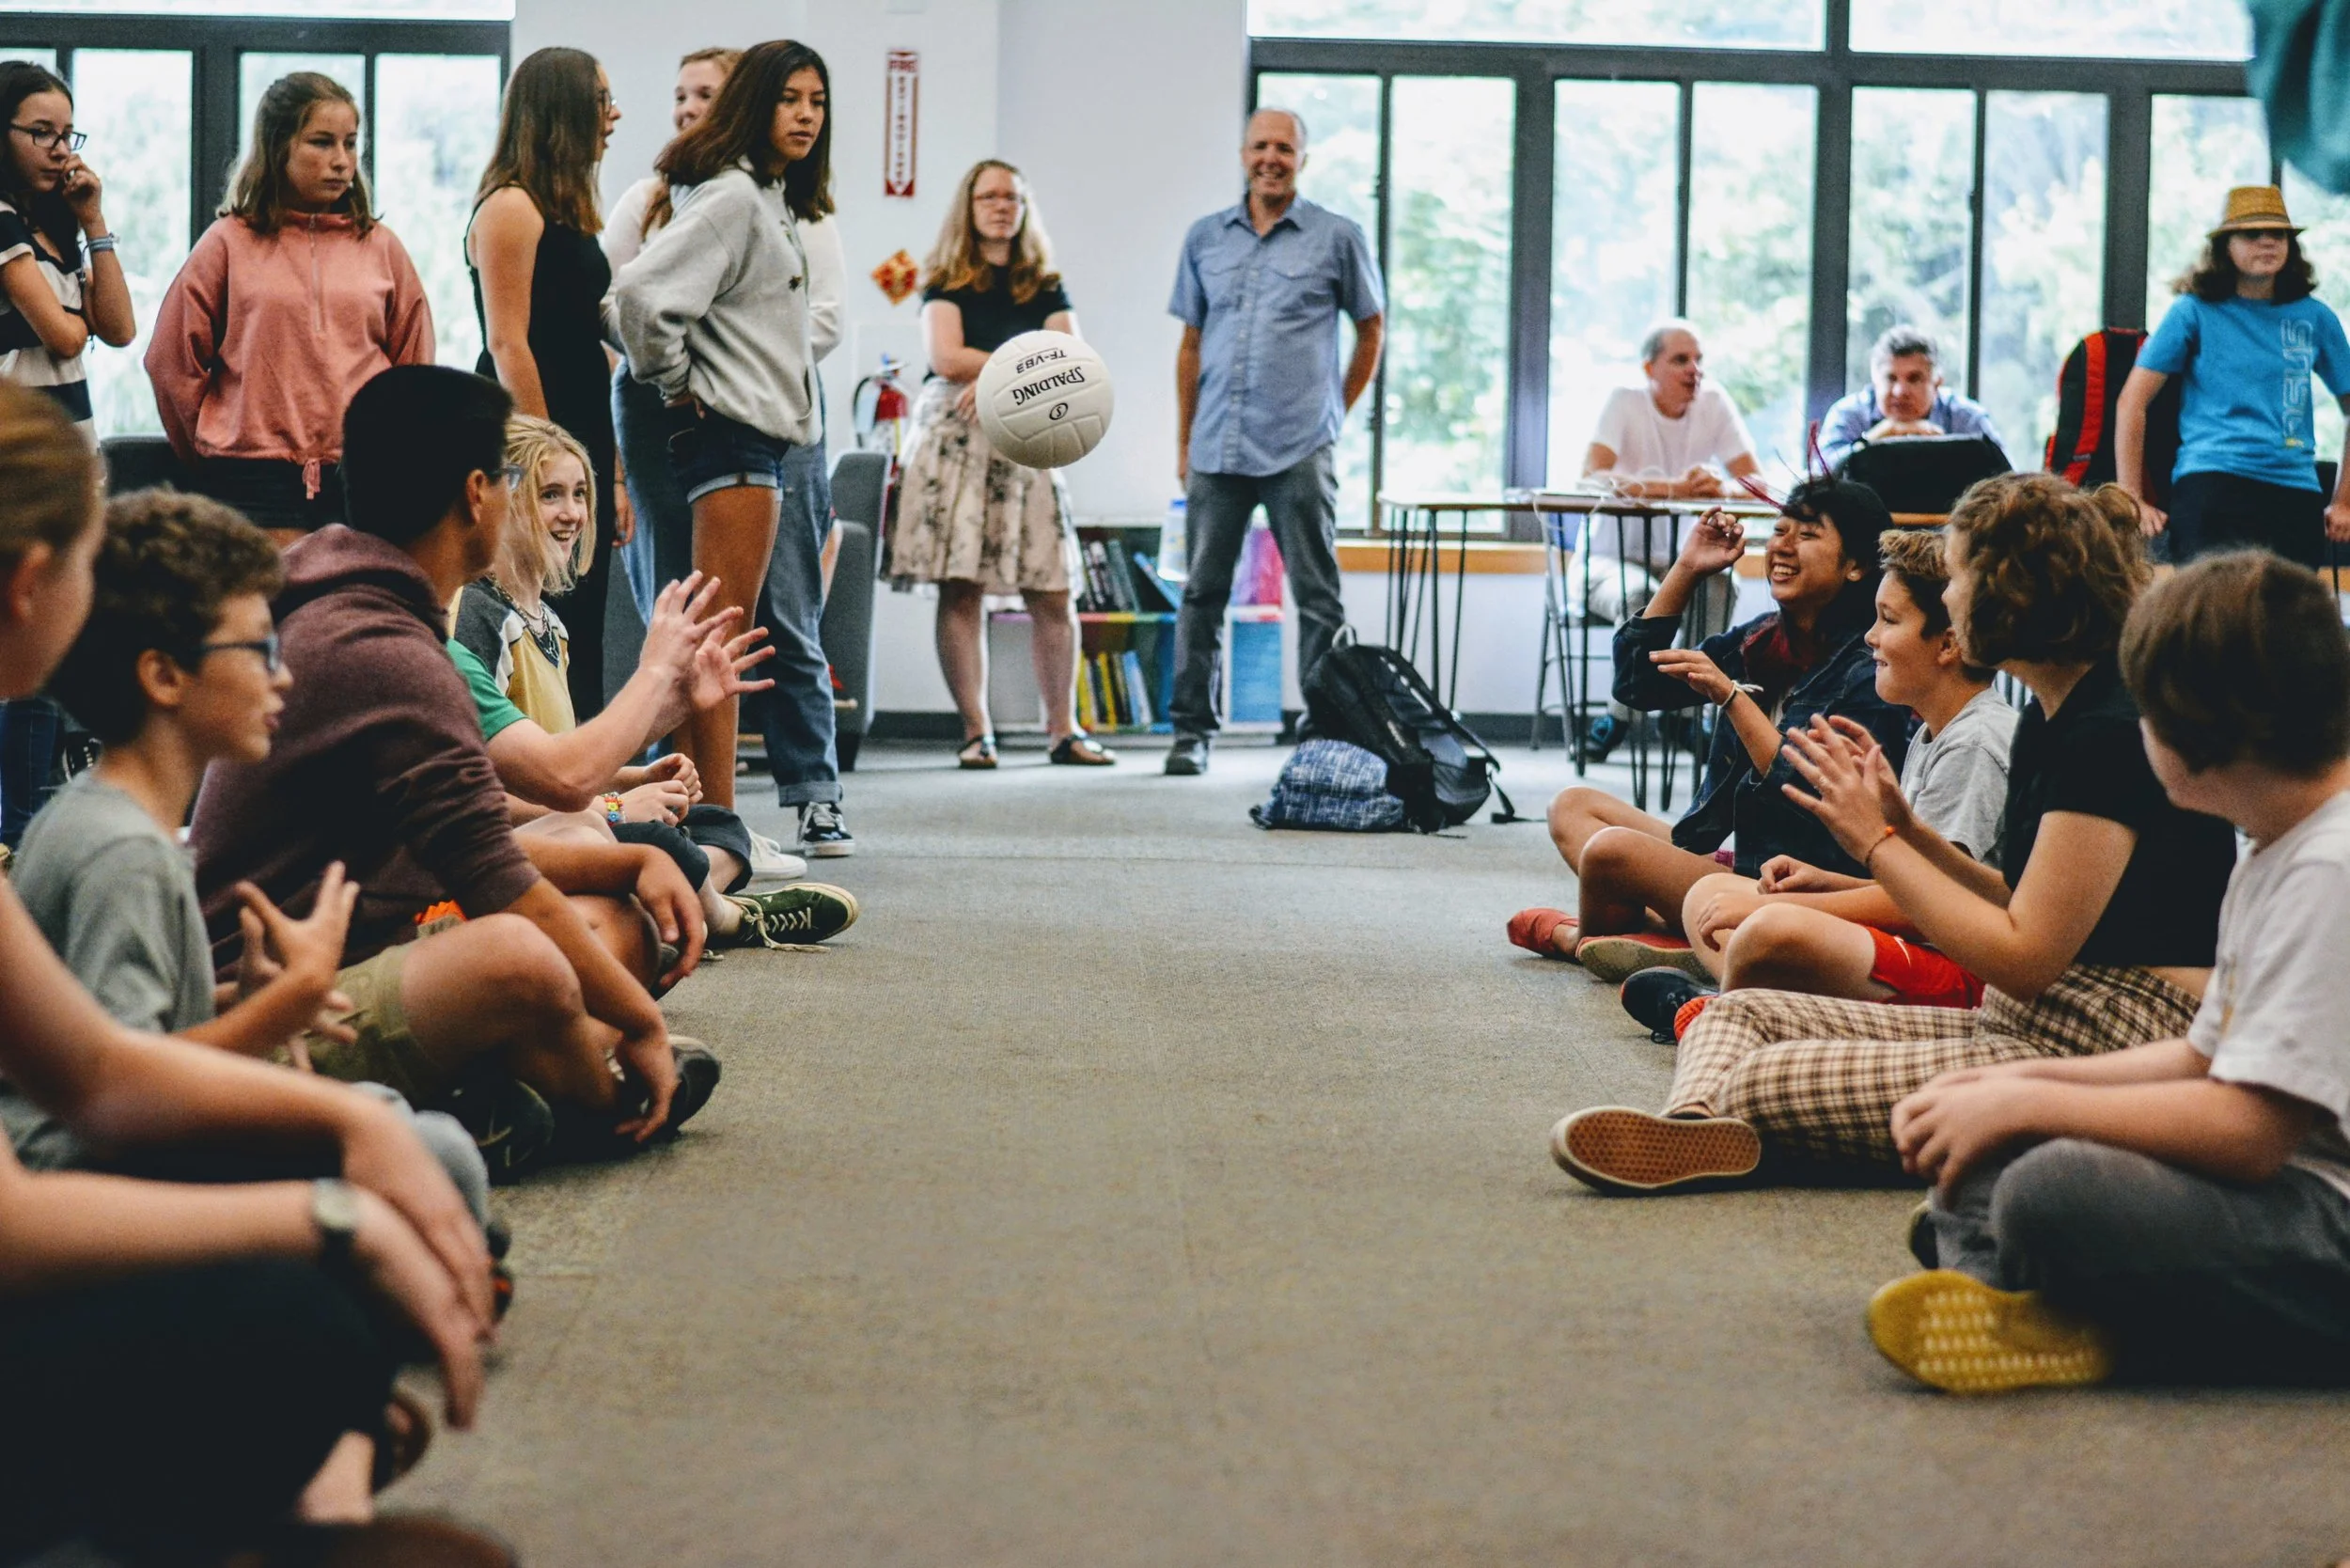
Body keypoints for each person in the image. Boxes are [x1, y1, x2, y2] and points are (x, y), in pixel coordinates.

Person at [0, 380, 509, 1565]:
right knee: (332, 1275)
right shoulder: (115, 843)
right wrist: (325, 1207)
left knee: (380, 1154)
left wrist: (295, 1054)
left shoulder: (112, 830)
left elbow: (104, 1072)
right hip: (49, 1240)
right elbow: (75, 1144)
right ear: (32, 583)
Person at [1548, 474, 2240, 1198]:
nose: (1953, 592)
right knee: (1742, 1011)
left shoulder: (2105, 731)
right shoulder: (2052, 714)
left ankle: (1745, 1122)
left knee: (1761, 1078)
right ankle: (1695, 1129)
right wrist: (1909, 831)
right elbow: (2019, 892)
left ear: (2016, 592)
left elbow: (2027, 956)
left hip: (2114, 1030)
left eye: (1962, 575)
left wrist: (1878, 847)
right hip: (2032, 1017)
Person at [189, 365, 719, 1180]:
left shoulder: (362, 604)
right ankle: (600, 1105)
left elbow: (462, 842)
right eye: (515, 483)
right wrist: (640, 1024)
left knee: (617, 924)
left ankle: (491, 1091)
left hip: (369, 943)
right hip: (279, 1007)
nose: (521, 502)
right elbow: (498, 876)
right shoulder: (384, 648)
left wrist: (631, 857)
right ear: (477, 493)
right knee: (519, 957)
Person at [1872, 551, 2350, 1393]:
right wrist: (2020, 1085)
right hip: (2290, 1176)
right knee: (2000, 1154)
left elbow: (2249, 1132)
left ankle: (2069, 1304)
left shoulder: (2328, 869)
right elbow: (2206, 1056)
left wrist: (2034, 1101)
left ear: (2200, 727)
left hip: (2327, 1211)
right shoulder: (2276, 845)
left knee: (2050, 1189)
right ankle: (2045, 1290)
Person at [12, 487, 493, 1235]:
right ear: (164, 676)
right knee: (432, 1152)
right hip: (89, 1177)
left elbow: (134, 1045)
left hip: (129, 1150)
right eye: (260, 649)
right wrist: (277, 1010)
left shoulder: (123, 826)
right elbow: (121, 1101)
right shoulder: (121, 853)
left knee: (397, 1125)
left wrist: (245, 999)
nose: (285, 676)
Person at [451, 414, 857, 950]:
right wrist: (614, 808)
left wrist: (635, 771)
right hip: (524, 832)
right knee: (663, 845)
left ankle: (672, 902)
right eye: (550, 495)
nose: (572, 513)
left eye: (579, 494)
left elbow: (553, 756)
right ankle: (722, 915)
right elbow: (490, 791)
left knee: (719, 827)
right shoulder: (476, 620)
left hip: (564, 808)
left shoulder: (549, 622)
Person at [1620, 525, 2013, 1042]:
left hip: (1968, 981)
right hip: (1925, 941)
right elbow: (1919, 889)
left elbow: (1937, 906)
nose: (1871, 636)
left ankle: (1731, 1014)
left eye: (1888, 620)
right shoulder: (1938, 731)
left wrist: (1775, 907)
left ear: (1948, 645)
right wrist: (1824, 882)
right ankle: (1755, 1006)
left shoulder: (1975, 743)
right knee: (1708, 895)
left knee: (1768, 929)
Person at [1511, 479, 1911, 983]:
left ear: (1856, 565)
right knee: (1572, 806)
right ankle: (1675, 936)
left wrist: (1731, 699)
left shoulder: (1869, 666)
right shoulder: (1763, 639)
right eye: (1778, 530)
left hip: (1805, 882)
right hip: (1744, 859)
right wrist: (1688, 568)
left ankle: (1585, 939)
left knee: (1610, 852)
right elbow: (1636, 685)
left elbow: (1808, 793)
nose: (1781, 546)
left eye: (1806, 535)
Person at [604, 44, 841, 874]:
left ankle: (707, 823)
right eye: (789, 100)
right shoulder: (736, 196)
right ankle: (715, 830)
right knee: (719, 643)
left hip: (762, 442)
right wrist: (672, 382)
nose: (807, 115)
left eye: (817, 100)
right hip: (731, 440)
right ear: (754, 105)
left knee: (715, 641)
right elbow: (633, 298)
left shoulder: (771, 196)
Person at [1164, 106, 1384, 777]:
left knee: (1318, 598)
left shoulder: (1337, 236)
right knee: (1201, 594)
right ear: (1242, 153)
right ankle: (1191, 733)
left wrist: (1334, 415)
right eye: (1260, 146)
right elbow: (1191, 344)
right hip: (1216, 449)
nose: (1270, 158)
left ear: (1302, 160)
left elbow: (1371, 331)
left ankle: (1317, 735)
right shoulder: (1205, 238)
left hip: (1299, 446)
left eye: (1284, 148)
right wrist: (1182, 442)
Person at [146, 71, 434, 546]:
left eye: (349, 143)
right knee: (268, 620)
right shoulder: (228, 243)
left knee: (348, 617)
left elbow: (414, 370)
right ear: (279, 147)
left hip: (362, 474)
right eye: (321, 143)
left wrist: (395, 452)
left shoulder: (380, 246)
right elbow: (170, 362)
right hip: (250, 477)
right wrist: (208, 448)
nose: (341, 161)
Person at [892, 158, 1111, 769]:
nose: (1001, 206)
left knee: (1054, 589)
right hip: (960, 443)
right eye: (989, 196)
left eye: (1012, 197)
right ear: (970, 205)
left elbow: (1074, 358)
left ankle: (1062, 731)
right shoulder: (945, 277)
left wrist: (997, 375)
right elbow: (943, 355)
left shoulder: (1043, 280)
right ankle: (975, 731)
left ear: (1023, 207)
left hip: (1031, 442)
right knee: (962, 588)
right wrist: (1020, 369)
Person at [467, 45, 631, 724]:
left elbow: (589, 346)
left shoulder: (568, 214)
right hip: (532, 429)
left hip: (581, 425)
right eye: (601, 99)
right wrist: (544, 465)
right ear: (563, 110)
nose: (614, 115)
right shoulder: (510, 206)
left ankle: (582, 778)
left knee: (581, 613)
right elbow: (510, 342)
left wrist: (610, 474)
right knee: (535, 604)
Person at [0, 61, 133, 851]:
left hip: (70, 453)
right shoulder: (3, 221)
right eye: (39, 133)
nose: (59, 150)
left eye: (66, 133)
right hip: (15, 457)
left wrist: (95, 217)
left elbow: (116, 327)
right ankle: (22, 828)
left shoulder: (55, 225)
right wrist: (75, 312)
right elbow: (63, 334)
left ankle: (30, 824)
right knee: (28, 646)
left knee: (56, 643)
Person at [2119, 184, 2350, 568]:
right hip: (2212, 484)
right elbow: (2132, 401)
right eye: (2252, 234)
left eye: (2278, 234)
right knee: (2210, 620)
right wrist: (2130, 497)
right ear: (2225, 245)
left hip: (2294, 490)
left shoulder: (2315, 316)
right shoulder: (2192, 311)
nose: (2267, 243)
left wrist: (2343, 501)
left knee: (2287, 623)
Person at [1574, 320, 1762, 760]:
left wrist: (1718, 484)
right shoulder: (1624, 402)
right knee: (1639, 594)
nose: (1694, 369)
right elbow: (1590, 477)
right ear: (1649, 368)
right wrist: (1676, 487)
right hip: (1606, 561)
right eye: (1680, 360)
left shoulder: (1714, 404)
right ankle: (1621, 714)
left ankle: (1684, 713)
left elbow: (1756, 481)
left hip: (1680, 563)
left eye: (1699, 360)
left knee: (1721, 586)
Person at [1818, 324, 2005, 471]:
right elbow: (1817, 478)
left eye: (1914, 379)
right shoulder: (1849, 413)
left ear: (1937, 382)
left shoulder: (1967, 417)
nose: (1900, 391)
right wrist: (1873, 439)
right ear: (1874, 380)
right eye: (1890, 378)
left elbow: (2007, 482)